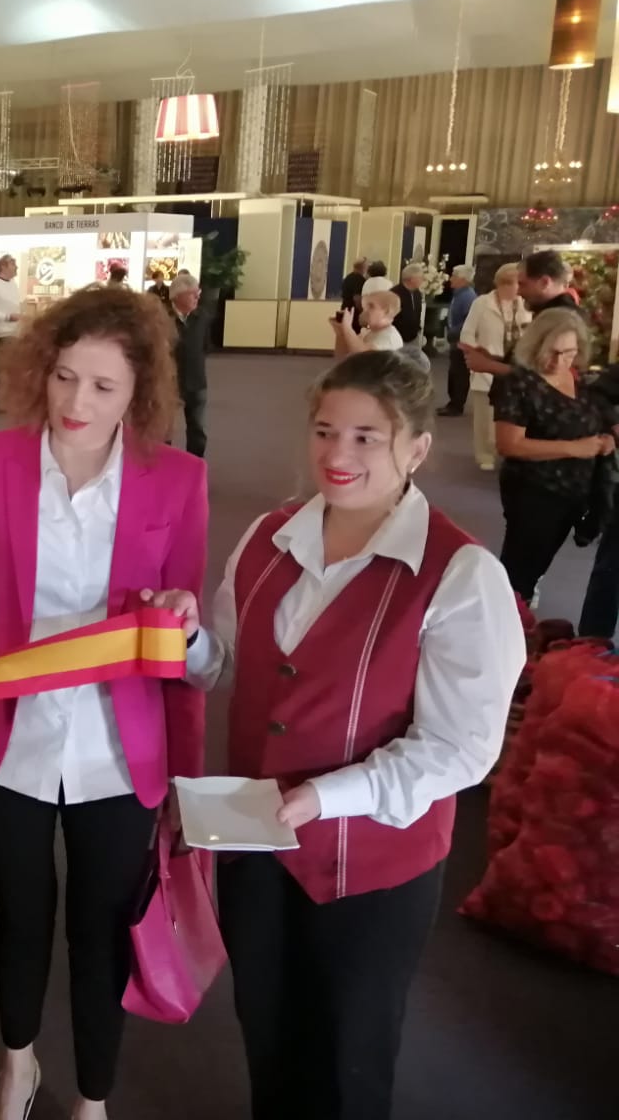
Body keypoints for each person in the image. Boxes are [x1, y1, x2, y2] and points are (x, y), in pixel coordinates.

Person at [176, 350, 522, 1120]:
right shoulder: (268, 537)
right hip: (259, 842)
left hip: (373, 864)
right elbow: (228, 665)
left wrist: (326, 797)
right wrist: (189, 641)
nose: (338, 454)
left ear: (417, 450)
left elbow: (462, 749)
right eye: (326, 430)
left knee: (348, 1056)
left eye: (368, 437)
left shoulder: (460, 575)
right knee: (266, 1027)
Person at [0, 286, 207, 1120]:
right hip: (9, 735)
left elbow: (187, 620)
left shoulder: (179, 482)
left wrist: (183, 624)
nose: (75, 403)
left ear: (139, 394)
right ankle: (18, 1063)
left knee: (102, 929)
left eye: (102, 387)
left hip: (120, 745)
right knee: (21, 912)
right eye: (63, 378)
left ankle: (94, 1096)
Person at [489, 308, 614, 604]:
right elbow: (509, 445)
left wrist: (604, 439)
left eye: (569, 353)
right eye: (553, 352)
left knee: (537, 567)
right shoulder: (520, 382)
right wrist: (576, 448)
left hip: (573, 493)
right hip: (535, 490)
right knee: (519, 573)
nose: (560, 362)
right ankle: (506, 626)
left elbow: (592, 418)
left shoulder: (581, 381)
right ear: (535, 346)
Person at [458, 265, 530, 472]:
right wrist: (475, 354)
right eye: (510, 284)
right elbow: (467, 333)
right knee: (485, 415)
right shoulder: (482, 303)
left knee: (514, 415)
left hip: (517, 367)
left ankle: (509, 451)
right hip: (486, 366)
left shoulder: (525, 304)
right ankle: (485, 453)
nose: (515, 289)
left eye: (518, 284)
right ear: (499, 284)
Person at [167, 270, 209, 457]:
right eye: (193, 293)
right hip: (168, 382)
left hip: (196, 380)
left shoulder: (202, 317)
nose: (197, 297)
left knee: (197, 429)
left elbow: (206, 346)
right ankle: (163, 467)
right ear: (178, 295)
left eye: (198, 293)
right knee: (164, 428)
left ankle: (195, 464)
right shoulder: (161, 317)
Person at [438, 265, 477, 416]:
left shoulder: (468, 296)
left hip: (461, 340)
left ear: (463, 279)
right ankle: (453, 402)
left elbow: (469, 320)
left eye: (454, 275)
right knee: (454, 371)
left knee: (459, 373)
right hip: (456, 339)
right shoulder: (460, 294)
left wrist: (453, 332)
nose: (451, 278)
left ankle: (456, 405)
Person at [0, 254, 23, 410]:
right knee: (2, 367)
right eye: (12, 264)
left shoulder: (13, 284)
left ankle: (0, 398)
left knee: (7, 366)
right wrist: (8, 317)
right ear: (3, 267)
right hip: (1, 331)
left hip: (13, 330)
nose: (16, 267)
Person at [331, 290, 404, 358]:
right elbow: (342, 358)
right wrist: (340, 333)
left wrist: (347, 328)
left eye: (371, 306)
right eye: (365, 307)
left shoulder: (390, 337)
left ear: (387, 311)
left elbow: (364, 356)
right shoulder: (367, 332)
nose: (365, 310)